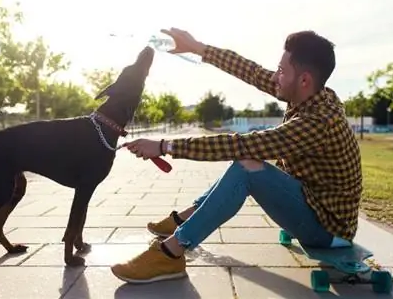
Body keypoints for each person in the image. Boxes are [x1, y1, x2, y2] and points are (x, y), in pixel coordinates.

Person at [110, 27, 362, 284]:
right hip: (312, 202)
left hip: (326, 227)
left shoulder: (318, 122)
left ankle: (171, 253)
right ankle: (185, 218)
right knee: (246, 159)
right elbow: (250, 71)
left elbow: (241, 145)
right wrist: (198, 48)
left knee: (245, 164)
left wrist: (164, 146)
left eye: (282, 71)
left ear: (304, 80)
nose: (275, 76)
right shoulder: (309, 94)